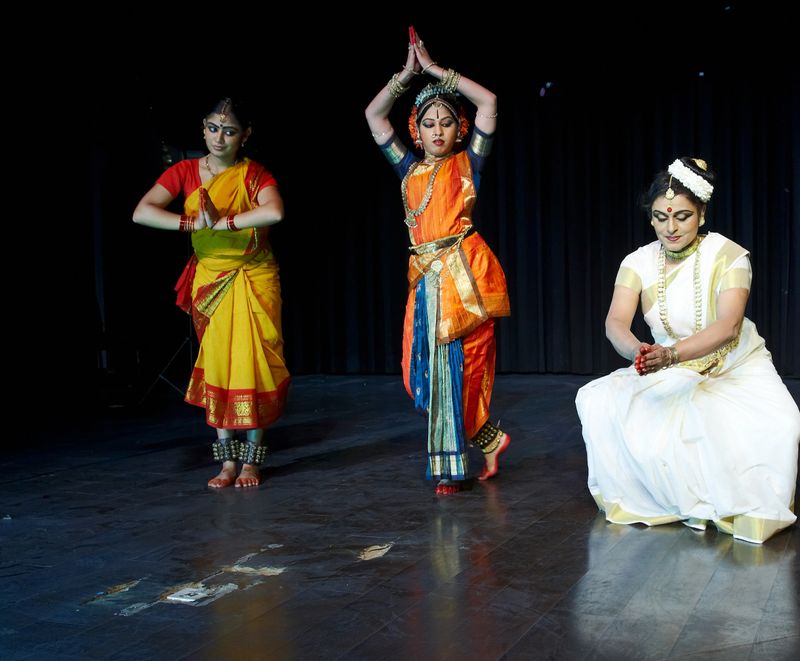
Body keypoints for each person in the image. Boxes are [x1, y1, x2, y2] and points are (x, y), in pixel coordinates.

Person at [576, 157, 800, 543]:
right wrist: (638, 353)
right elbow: (615, 322)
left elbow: (728, 325)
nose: (671, 227)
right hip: (669, 366)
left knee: (782, 423)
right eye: (661, 217)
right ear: (651, 218)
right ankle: (677, 501)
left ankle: (739, 504)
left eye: (682, 216)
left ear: (701, 214)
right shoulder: (637, 262)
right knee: (601, 403)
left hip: (735, 362)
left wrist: (672, 355)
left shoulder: (729, 255)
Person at [365, 31, 511, 495]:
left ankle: (450, 468)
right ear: (416, 129)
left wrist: (438, 73)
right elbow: (372, 115)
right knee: (419, 373)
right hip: (425, 280)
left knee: (459, 370)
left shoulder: (468, 165)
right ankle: (491, 439)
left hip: (463, 276)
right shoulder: (408, 170)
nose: (438, 131)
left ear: (459, 129)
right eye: (429, 123)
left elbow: (488, 101)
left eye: (447, 122)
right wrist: (405, 77)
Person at [133, 97, 290, 489]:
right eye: (213, 128)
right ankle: (226, 463)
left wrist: (225, 224)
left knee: (252, 365)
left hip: (253, 276)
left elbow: (274, 211)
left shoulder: (254, 175)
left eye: (230, 131)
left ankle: (252, 461)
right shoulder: (185, 171)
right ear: (203, 129)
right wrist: (190, 223)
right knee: (220, 362)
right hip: (213, 282)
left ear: (245, 135)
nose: (219, 137)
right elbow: (143, 211)